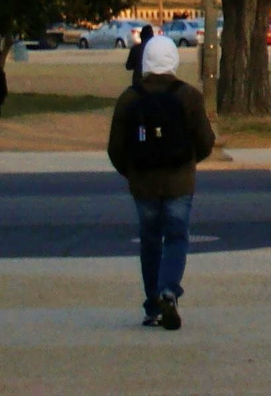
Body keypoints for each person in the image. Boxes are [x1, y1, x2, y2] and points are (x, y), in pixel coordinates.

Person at [106, 35, 214, 330]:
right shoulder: (188, 96)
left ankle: (152, 305)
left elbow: (115, 148)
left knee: (150, 241)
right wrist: (189, 163)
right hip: (179, 182)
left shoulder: (130, 98)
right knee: (177, 238)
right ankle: (169, 289)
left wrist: (132, 172)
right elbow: (205, 141)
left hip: (143, 184)